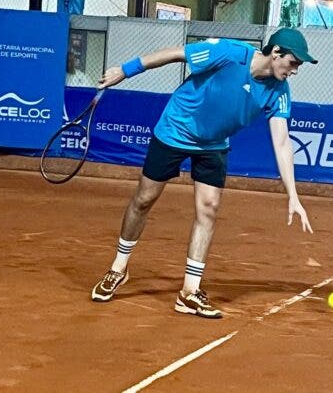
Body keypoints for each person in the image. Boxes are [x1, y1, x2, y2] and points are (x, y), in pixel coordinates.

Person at [90, 28, 316, 319]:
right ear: (276, 53)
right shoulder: (230, 53)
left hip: (214, 144)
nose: (296, 70)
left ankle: (189, 292)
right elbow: (175, 54)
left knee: (208, 209)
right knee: (144, 199)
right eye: (294, 63)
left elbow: (282, 142)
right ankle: (118, 269)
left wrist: (293, 195)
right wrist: (125, 70)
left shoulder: (279, 91)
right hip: (175, 130)